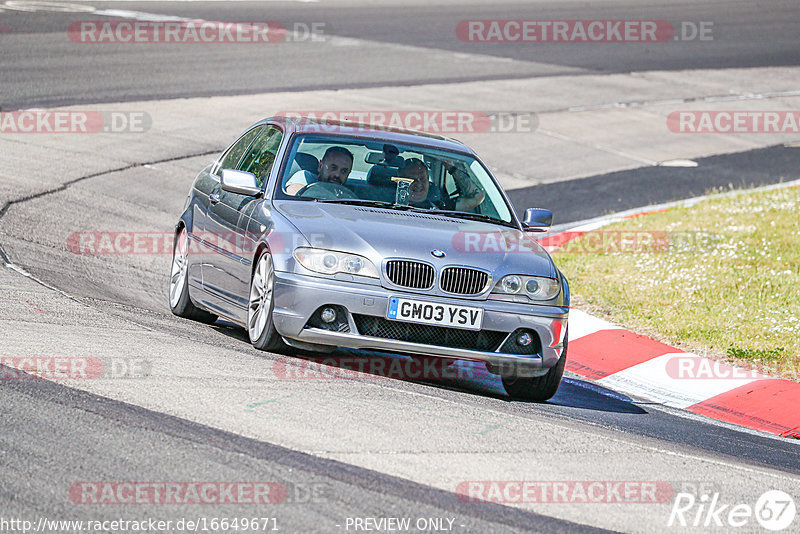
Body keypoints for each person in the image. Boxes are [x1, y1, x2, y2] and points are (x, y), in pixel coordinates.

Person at [401, 158, 484, 211]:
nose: (419, 184)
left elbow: (477, 197)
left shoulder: (441, 206)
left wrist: (452, 168)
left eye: (423, 179)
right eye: (412, 179)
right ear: (401, 181)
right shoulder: (391, 207)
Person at [285, 146, 354, 195]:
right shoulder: (305, 177)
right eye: (333, 167)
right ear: (320, 166)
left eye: (344, 171)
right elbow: (294, 193)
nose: (337, 174)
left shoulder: (346, 194)